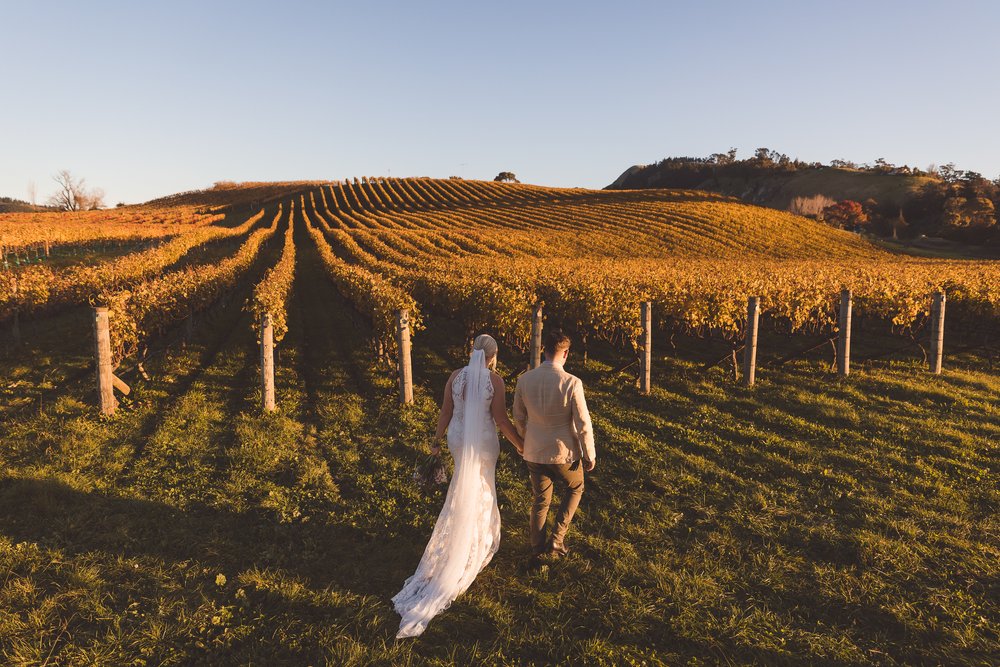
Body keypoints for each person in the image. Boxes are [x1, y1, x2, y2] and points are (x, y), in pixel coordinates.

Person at [392, 334, 524, 639]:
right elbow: (501, 420)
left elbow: (446, 412)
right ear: (492, 355)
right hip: (482, 444)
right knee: (481, 488)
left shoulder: (454, 377)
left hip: (457, 439)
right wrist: (519, 444)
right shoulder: (496, 381)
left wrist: (436, 442)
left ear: (472, 351)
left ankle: (461, 538)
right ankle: (472, 545)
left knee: (462, 486)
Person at [513, 328, 596, 562]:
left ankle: (537, 548)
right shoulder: (572, 383)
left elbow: (518, 416)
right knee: (576, 487)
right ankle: (557, 539)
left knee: (540, 499)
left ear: (543, 351)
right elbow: (583, 422)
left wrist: (524, 437)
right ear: (566, 353)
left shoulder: (525, 379)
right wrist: (589, 453)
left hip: (534, 450)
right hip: (564, 453)